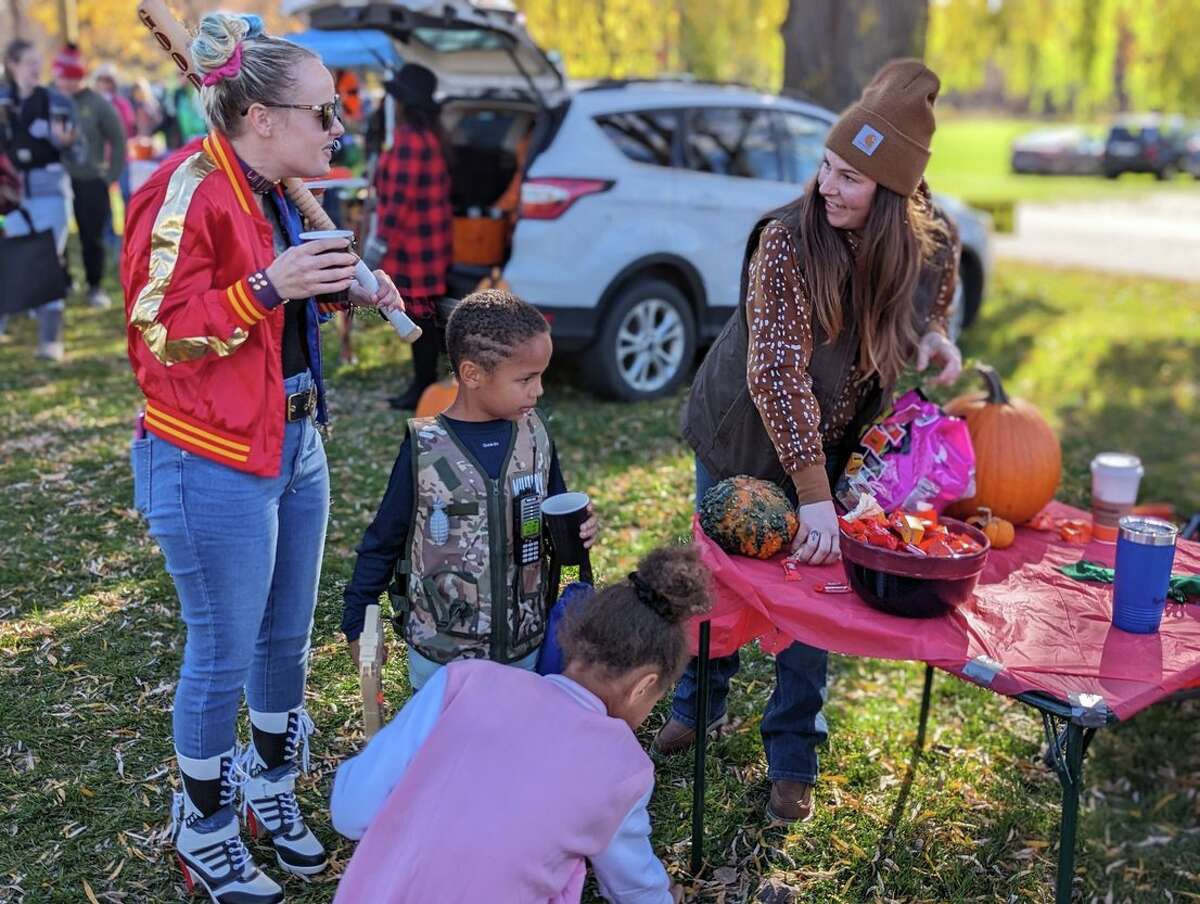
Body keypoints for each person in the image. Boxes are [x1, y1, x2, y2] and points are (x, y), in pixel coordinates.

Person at [121, 13, 404, 903]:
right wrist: (265, 287)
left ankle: (267, 792)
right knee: (222, 645)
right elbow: (156, 334)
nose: (337, 128)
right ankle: (202, 825)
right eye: (323, 113)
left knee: (283, 638)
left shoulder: (276, 189)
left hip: (293, 437)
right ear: (262, 117)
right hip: (208, 456)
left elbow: (272, 328)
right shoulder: (186, 190)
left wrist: (331, 294)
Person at [655, 60, 964, 825]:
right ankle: (699, 702)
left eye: (851, 177)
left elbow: (938, 288)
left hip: (839, 437)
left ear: (893, 194)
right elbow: (777, 374)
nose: (828, 186)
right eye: (826, 165)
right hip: (745, 429)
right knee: (718, 578)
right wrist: (812, 498)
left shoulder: (927, 240)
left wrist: (934, 335)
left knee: (814, 600)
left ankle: (793, 749)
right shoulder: (788, 242)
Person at [330, 544, 708, 903]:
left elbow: (351, 812)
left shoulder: (463, 680)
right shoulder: (624, 769)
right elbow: (633, 886)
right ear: (643, 686)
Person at [341, 289, 598, 691]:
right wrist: (358, 619)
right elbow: (383, 540)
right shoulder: (425, 449)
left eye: (541, 376)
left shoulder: (537, 437)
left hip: (523, 649)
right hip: (441, 658)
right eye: (526, 379)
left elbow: (552, 515)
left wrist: (580, 531)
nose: (539, 391)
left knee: (510, 745)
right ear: (473, 374)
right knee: (445, 749)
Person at [371, 62, 453, 410]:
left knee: (418, 317)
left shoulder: (409, 141)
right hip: (429, 241)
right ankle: (423, 383)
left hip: (413, 244)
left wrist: (379, 243)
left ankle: (422, 386)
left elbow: (398, 201)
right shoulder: (430, 136)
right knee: (424, 317)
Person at [0, 39, 79, 360]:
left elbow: (79, 149)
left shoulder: (56, 101)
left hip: (51, 189)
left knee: (48, 260)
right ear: (12, 64)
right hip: (12, 193)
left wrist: (66, 143)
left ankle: (51, 343)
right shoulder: (2, 103)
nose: (36, 68)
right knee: (14, 259)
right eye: (28, 62)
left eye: (38, 61)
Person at [53, 44, 126, 309]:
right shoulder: (49, 99)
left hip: (90, 181)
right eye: (63, 77)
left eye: (72, 77)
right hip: (54, 181)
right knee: (55, 236)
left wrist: (111, 175)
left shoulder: (97, 103)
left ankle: (94, 286)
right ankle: (63, 282)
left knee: (90, 237)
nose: (67, 83)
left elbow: (118, 140)